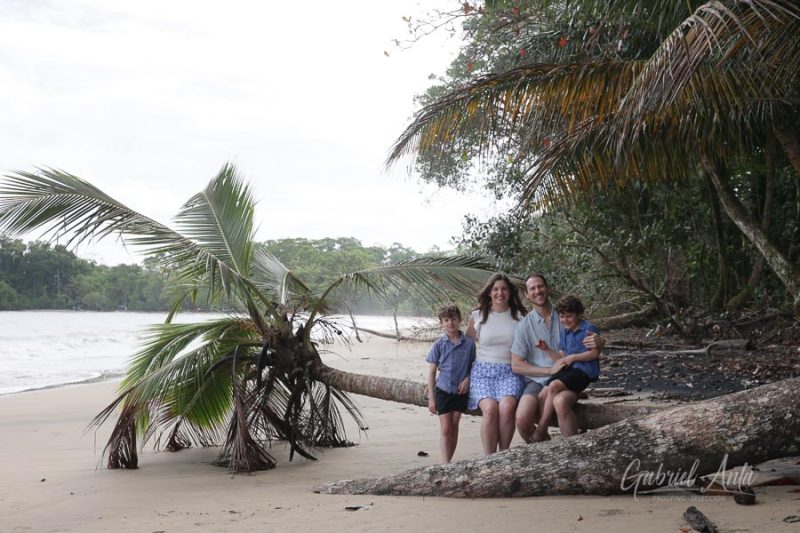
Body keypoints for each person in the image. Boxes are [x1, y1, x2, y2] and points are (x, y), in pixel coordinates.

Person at [511, 274, 604, 442]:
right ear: (526, 294)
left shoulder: (564, 313)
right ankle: (545, 447)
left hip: (569, 374)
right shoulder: (524, 326)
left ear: (547, 288)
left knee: (560, 401)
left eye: (540, 286)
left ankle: (570, 447)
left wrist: (601, 341)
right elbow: (516, 365)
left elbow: (589, 339)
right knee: (523, 419)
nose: (537, 291)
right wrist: (548, 366)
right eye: (532, 288)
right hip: (539, 380)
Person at [466, 273, 527, 454]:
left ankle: (503, 454)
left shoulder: (519, 317)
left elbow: (532, 347)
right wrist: (462, 377)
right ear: (489, 292)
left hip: (510, 371)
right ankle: (489, 457)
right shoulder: (478, 316)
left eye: (504, 289)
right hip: (482, 371)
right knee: (491, 409)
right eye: (495, 289)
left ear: (510, 292)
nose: (500, 293)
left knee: (507, 407)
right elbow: (466, 349)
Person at [530, 295, 600, 442]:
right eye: (562, 317)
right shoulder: (565, 332)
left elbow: (594, 353)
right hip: (569, 371)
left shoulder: (588, 329)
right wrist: (547, 349)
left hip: (583, 372)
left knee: (554, 385)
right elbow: (561, 358)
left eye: (569, 316)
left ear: (579, 314)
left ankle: (542, 428)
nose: (565, 320)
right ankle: (548, 435)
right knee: (543, 394)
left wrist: (573, 357)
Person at [426, 304, 476, 463]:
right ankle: (445, 463)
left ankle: (449, 461)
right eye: (446, 320)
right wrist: (431, 398)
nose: (450, 323)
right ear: (441, 323)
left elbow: (473, 366)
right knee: (446, 428)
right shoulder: (439, 344)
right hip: (443, 389)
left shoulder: (469, 344)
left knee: (455, 426)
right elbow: (432, 372)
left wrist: (468, 379)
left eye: (453, 319)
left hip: (460, 391)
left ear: (460, 320)